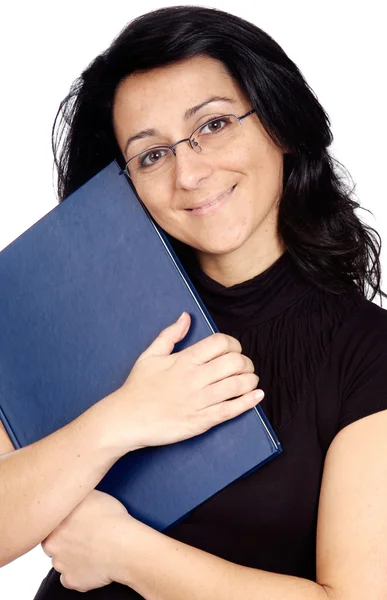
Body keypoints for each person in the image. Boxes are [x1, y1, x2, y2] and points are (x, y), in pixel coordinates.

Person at [1, 5, 386, 599]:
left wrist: (125, 552)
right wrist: (124, 418)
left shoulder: (366, 351)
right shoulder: (86, 307)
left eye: (213, 125)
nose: (190, 173)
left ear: (279, 125)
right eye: (151, 154)